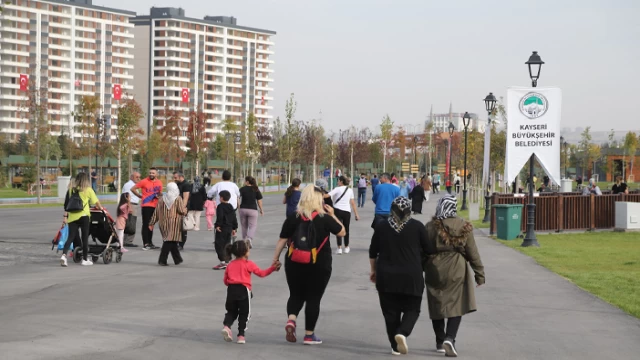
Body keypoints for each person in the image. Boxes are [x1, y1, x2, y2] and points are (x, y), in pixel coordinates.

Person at [272, 185, 346, 345]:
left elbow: (282, 240)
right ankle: (309, 335)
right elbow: (342, 232)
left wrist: (275, 259)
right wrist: (332, 215)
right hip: (319, 263)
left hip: (294, 261)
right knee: (314, 298)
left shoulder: (294, 217)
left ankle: (291, 319)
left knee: (295, 294)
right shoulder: (324, 218)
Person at [369, 197, 433, 355]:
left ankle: (394, 345)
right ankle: (403, 332)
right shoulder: (417, 227)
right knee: (413, 308)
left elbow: (372, 252)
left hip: (386, 276)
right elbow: (429, 250)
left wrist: (373, 271)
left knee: (390, 312)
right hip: (411, 275)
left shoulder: (382, 226)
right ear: (409, 210)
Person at [424, 195, 485, 357]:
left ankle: (439, 340)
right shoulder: (463, 226)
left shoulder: (430, 226)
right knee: (457, 303)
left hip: (434, 267)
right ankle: (450, 337)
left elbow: (423, 249)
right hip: (457, 267)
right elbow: (473, 253)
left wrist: (422, 267)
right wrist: (480, 274)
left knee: (436, 302)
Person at [221, 240, 280, 344]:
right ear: (245, 252)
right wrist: (273, 269)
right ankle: (241, 336)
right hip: (243, 290)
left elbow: (225, 280)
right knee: (244, 313)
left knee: (231, 311)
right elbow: (261, 273)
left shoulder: (230, 264)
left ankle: (227, 326)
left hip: (231, 290)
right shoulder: (249, 264)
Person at [60, 172, 103, 266]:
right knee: (84, 238)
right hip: (84, 216)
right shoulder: (88, 190)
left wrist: (65, 217)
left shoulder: (71, 190)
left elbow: (66, 205)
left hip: (72, 217)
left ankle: (63, 255)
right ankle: (84, 259)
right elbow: (96, 203)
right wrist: (101, 208)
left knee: (70, 237)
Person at [149, 182, 187, 266]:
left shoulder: (162, 199)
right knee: (169, 240)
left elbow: (156, 212)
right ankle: (162, 260)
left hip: (163, 223)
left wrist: (152, 223)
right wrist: (185, 210)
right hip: (174, 223)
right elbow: (181, 210)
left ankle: (177, 259)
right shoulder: (178, 198)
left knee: (171, 240)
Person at [130, 168, 163, 250]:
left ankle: (150, 242)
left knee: (151, 224)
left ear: (156, 174)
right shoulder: (144, 181)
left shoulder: (159, 182)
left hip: (155, 206)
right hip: (146, 205)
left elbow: (160, 193)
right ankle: (146, 243)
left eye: (153, 173)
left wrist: (159, 195)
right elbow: (132, 189)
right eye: (150, 173)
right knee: (146, 224)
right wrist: (139, 196)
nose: (151, 174)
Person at [327, 176, 360, 255]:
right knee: (346, 229)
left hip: (337, 210)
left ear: (341, 181)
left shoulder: (337, 189)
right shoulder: (350, 190)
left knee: (338, 228)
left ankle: (339, 248)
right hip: (347, 211)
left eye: (338, 180)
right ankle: (346, 247)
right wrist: (356, 214)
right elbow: (352, 203)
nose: (337, 182)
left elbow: (327, 196)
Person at [213, 191, 238, 270]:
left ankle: (222, 262)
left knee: (219, 245)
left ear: (221, 198)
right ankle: (227, 262)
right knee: (227, 245)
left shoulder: (220, 206)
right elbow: (234, 217)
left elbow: (220, 217)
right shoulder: (231, 206)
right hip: (229, 228)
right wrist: (234, 228)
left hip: (222, 228)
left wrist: (217, 225)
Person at [238, 176, 264, 248]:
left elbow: (238, 198)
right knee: (252, 226)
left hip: (243, 209)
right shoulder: (256, 189)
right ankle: (249, 238)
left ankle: (244, 240)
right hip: (253, 210)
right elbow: (259, 201)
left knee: (244, 226)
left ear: (247, 182)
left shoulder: (242, 189)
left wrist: (239, 207)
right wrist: (261, 209)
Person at [121, 172, 141, 247]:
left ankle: (125, 240)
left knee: (129, 223)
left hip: (132, 204)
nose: (138, 178)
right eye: (137, 177)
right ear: (132, 177)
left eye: (139, 177)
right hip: (131, 204)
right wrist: (129, 207)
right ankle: (128, 241)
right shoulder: (129, 185)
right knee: (131, 223)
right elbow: (127, 196)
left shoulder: (132, 185)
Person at [173, 171, 191, 250]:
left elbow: (185, 198)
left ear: (181, 177)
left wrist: (182, 208)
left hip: (182, 208)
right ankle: (175, 242)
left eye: (175, 177)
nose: (174, 179)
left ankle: (181, 244)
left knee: (182, 227)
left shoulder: (186, 185)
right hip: (175, 207)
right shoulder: (177, 184)